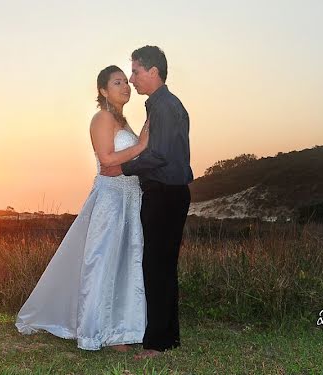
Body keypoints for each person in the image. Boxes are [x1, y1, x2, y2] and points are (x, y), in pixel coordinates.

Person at [15, 65, 165, 351]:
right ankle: (98, 330)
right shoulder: (102, 118)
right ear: (103, 90)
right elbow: (108, 160)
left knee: (125, 263)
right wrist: (141, 144)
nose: (126, 86)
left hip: (130, 198)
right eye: (118, 82)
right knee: (103, 261)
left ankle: (121, 329)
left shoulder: (124, 122)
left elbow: (132, 160)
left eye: (126, 82)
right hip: (110, 200)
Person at [100, 46, 193, 359]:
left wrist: (122, 168)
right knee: (162, 266)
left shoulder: (164, 107)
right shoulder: (161, 104)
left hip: (165, 193)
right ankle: (167, 337)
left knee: (157, 267)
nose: (132, 78)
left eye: (136, 71)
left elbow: (159, 155)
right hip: (168, 192)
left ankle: (157, 344)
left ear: (154, 72)